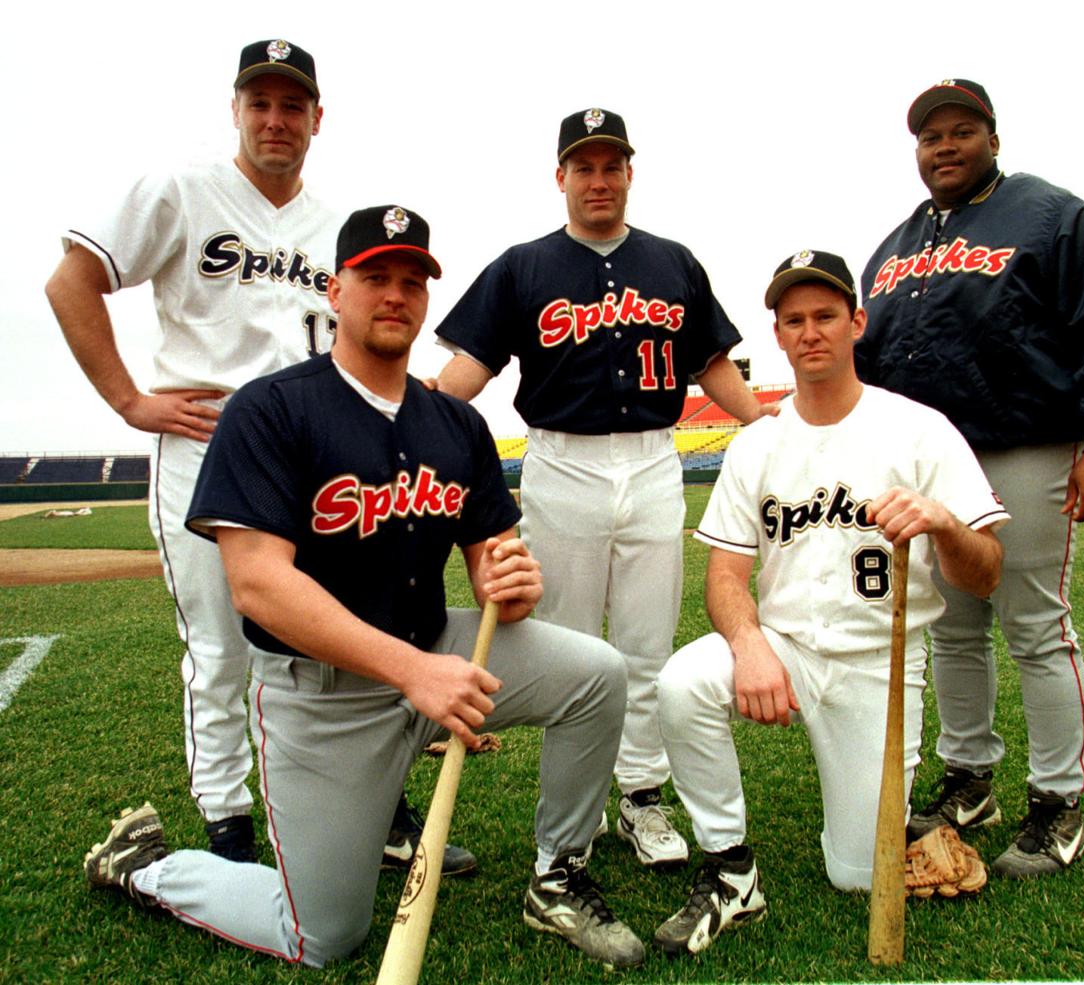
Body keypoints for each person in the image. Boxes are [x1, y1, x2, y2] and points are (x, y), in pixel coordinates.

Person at [81, 205, 645, 971]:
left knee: (597, 677)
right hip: (326, 694)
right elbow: (257, 586)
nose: (395, 293)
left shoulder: (456, 424)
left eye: (412, 280)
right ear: (335, 292)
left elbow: (494, 574)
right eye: (375, 276)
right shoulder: (271, 409)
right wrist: (415, 673)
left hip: (434, 650)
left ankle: (558, 874)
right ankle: (147, 864)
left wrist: (509, 585)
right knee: (322, 936)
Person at [44, 40, 469, 874]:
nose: (276, 119)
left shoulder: (330, 227)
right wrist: (131, 400)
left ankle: (375, 811)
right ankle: (230, 824)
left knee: (345, 635)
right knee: (221, 646)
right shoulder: (181, 188)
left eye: (292, 105)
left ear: (318, 118)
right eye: (260, 102)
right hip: (211, 447)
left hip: (320, 458)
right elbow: (71, 280)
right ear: (236, 109)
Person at [433, 108, 772, 868]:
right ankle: (576, 815)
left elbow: (710, 360)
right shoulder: (523, 265)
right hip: (563, 463)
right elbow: (466, 375)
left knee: (649, 645)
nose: (598, 179)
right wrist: (398, 414)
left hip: (654, 461)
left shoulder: (673, 261)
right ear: (560, 178)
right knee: (576, 653)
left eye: (611, 164)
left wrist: (769, 426)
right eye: (582, 166)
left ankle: (642, 798)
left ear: (628, 172)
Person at [651, 250, 1007, 956]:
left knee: (854, 873)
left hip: (879, 663)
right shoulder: (758, 444)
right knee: (682, 681)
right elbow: (725, 576)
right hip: (785, 645)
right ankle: (730, 870)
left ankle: (906, 822)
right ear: (778, 335)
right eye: (794, 320)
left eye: (825, 315)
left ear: (857, 323)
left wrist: (942, 521)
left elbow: (987, 574)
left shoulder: (919, 428)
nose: (810, 331)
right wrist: (750, 648)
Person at [856, 79, 1084, 878]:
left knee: (1034, 623)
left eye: (961, 131)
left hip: (1026, 445)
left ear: (994, 138)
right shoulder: (893, 248)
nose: (945, 146)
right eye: (930, 137)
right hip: (933, 463)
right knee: (953, 627)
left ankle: (1058, 802)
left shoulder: (1049, 214)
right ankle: (970, 780)